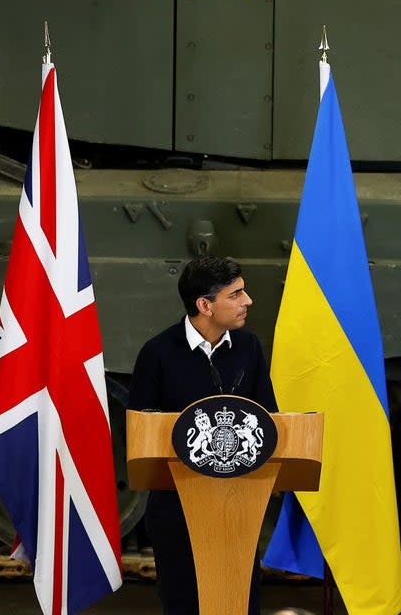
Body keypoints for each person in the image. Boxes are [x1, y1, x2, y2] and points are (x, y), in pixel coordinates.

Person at [129, 256, 278, 615]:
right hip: (176, 508)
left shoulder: (250, 348)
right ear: (204, 306)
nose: (248, 301)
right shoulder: (158, 353)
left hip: (238, 501)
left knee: (239, 602)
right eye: (236, 294)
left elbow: (269, 417)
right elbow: (141, 432)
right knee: (184, 602)